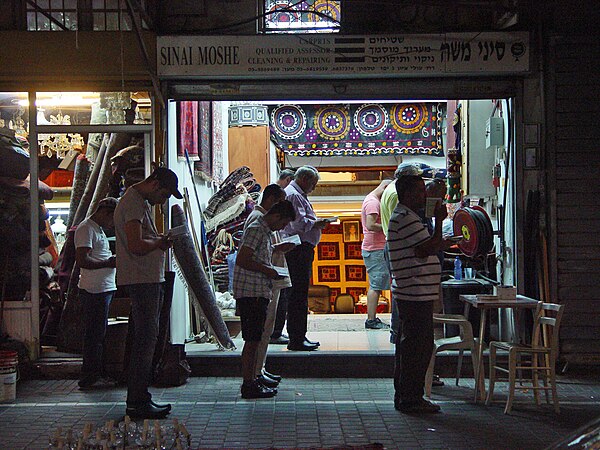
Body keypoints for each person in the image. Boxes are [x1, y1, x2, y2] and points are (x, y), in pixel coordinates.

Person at [114, 166, 182, 419]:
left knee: (147, 339)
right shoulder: (133, 203)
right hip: (141, 279)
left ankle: (140, 398)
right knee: (145, 341)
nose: (162, 201)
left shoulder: (137, 201)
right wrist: (160, 242)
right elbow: (136, 245)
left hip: (145, 278)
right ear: (155, 184)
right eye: (164, 195)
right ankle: (137, 401)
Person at [387, 174, 452, 414]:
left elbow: (426, 246)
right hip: (414, 293)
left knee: (412, 346)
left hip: (415, 292)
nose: (424, 196)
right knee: (417, 347)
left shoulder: (410, 218)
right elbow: (425, 248)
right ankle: (411, 398)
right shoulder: (405, 217)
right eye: (419, 191)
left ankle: (407, 395)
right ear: (407, 194)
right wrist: (437, 219)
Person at [234, 200, 296, 399]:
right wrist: (268, 270)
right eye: (284, 224)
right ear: (277, 216)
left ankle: (253, 378)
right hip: (251, 291)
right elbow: (243, 259)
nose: (283, 228)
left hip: (259, 290)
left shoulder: (265, 231)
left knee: (256, 338)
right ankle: (248, 383)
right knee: (252, 340)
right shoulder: (256, 229)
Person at [280, 166, 329, 351]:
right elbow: (298, 224)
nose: (314, 188)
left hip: (301, 248)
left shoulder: (295, 193)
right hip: (298, 249)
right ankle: (297, 337)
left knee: (299, 294)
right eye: (313, 183)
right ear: (305, 180)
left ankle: (299, 335)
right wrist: (318, 223)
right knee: (298, 295)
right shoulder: (293, 195)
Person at [75, 197, 119, 390]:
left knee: (98, 334)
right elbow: (83, 260)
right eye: (112, 219)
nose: (112, 224)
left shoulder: (98, 229)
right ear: (105, 212)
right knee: (94, 335)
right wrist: (108, 263)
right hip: (94, 290)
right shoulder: (86, 229)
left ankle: (96, 374)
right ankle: (90, 377)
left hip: (103, 288)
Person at [379, 162, 425, 343]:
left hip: (393, 244)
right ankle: (399, 332)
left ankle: (398, 332)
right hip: (400, 246)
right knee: (403, 291)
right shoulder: (396, 197)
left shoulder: (389, 190)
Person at [361, 179, 393, 330]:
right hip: (375, 248)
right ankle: (371, 320)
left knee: (378, 284)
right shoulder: (373, 202)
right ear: (385, 188)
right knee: (376, 285)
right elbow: (371, 225)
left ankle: (372, 318)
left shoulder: (372, 200)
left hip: (376, 247)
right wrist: (389, 225)